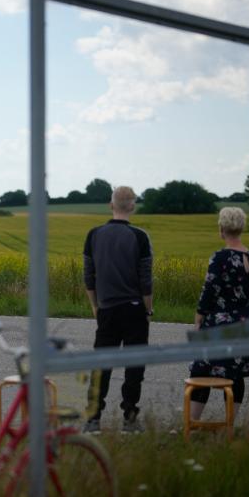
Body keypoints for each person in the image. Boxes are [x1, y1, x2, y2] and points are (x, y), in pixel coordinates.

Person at [82, 186, 153, 434]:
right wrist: (148, 310)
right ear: (132, 206)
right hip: (134, 309)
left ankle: (93, 420)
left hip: (107, 309)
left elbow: (88, 277)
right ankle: (130, 419)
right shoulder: (140, 237)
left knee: (101, 365)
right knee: (134, 367)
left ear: (110, 205)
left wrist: (95, 305)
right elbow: (146, 281)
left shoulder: (94, 235)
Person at [188, 207, 249, 422]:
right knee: (236, 374)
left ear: (221, 229)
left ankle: (193, 422)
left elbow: (209, 289)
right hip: (245, 325)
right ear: (242, 228)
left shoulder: (221, 257)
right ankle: (229, 426)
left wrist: (199, 317)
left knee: (201, 371)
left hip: (219, 324)